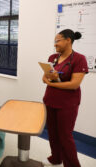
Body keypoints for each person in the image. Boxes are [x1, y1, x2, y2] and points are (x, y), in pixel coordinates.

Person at [42, 29, 88, 167]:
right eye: (54, 41)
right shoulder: (52, 58)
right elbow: (44, 77)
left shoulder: (79, 59)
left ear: (68, 40)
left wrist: (52, 82)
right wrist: (49, 79)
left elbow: (74, 84)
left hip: (67, 104)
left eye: (58, 41)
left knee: (65, 137)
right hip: (50, 100)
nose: (55, 44)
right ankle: (56, 158)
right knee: (53, 133)